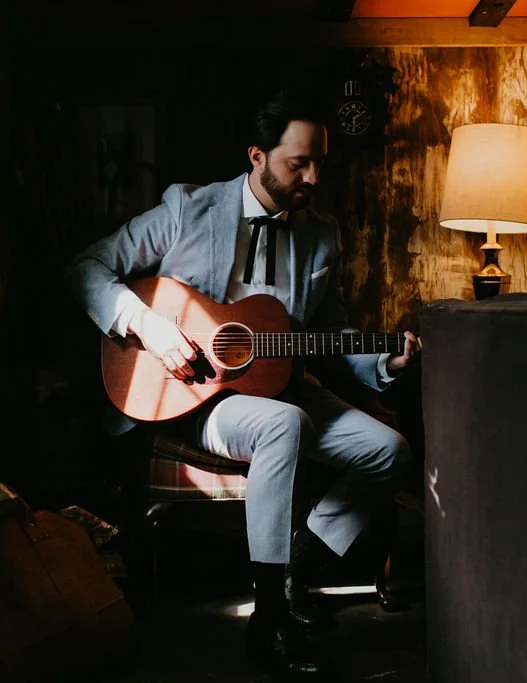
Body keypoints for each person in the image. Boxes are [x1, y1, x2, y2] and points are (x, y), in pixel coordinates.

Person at [63, 84, 421, 680]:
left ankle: (299, 568)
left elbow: (327, 334)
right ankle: (270, 620)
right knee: (285, 424)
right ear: (258, 156)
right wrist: (149, 326)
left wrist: (384, 364)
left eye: (319, 163)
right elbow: (85, 268)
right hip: (198, 396)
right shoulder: (188, 208)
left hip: (283, 384)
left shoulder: (322, 234)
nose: (312, 177)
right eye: (298, 163)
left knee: (391, 452)